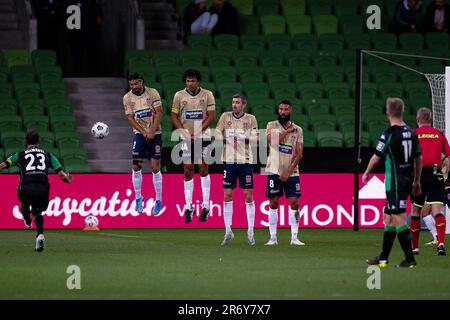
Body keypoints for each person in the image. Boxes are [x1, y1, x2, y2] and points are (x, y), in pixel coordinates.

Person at [364, 98, 422, 268]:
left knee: (397, 217)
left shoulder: (388, 134)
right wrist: (417, 180)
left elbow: (376, 157)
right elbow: (419, 157)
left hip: (395, 183)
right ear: (402, 111)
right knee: (388, 217)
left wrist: (367, 172)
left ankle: (410, 258)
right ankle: (383, 258)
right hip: (408, 179)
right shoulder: (412, 133)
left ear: (388, 112)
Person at [0, 129, 73, 252]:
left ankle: (27, 221)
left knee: (24, 203)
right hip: (42, 188)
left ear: (25, 141)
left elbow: (3, 165)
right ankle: (40, 235)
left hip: (26, 188)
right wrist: (68, 179)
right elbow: (62, 175)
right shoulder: (48, 155)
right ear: (39, 141)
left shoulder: (20, 154)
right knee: (37, 212)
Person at [171, 69, 216, 223]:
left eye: (193, 81)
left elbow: (211, 115)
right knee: (188, 170)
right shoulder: (179, 95)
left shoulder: (207, 94)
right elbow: (173, 115)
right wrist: (183, 132)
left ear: (198, 81)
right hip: (186, 137)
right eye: (188, 81)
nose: (190, 83)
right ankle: (189, 207)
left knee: (203, 168)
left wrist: (198, 131)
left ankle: (206, 206)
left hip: (203, 135)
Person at [215, 93, 258, 246]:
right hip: (229, 161)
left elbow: (256, 138)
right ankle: (228, 231)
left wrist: (242, 138)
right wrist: (225, 139)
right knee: (227, 195)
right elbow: (217, 133)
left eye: (238, 102)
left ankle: (251, 232)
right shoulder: (225, 117)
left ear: (243, 104)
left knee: (248, 195)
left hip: (246, 161)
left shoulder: (250, 118)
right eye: (233, 102)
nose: (234, 105)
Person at [409, 107, 449, 256]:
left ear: (418, 120)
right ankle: (441, 244)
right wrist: (445, 174)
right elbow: (449, 156)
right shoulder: (439, 134)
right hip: (436, 173)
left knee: (416, 210)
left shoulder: (413, 134)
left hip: (418, 175)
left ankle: (415, 247)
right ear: (430, 119)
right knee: (437, 210)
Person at [264, 100, 305, 246]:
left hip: (292, 172)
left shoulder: (298, 129)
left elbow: (299, 153)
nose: (282, 112)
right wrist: (287, 131)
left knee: (294, 202)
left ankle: (294, 237)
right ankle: (273, 237)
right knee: (273, 202)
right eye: (280, 109)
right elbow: (273, 143)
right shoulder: (271, 125)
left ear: (290, 111)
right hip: (274, 170)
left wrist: (288, 171)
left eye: (286, 109)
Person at [123, 73, 163, 216]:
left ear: (142, 82)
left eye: (136, 84)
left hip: (155, 134)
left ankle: (159, 200)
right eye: (131, 84)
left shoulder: (152, 93)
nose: (134, 87)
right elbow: (130, 117)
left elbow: (159, 113)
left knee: (155, 168)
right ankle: (139, 197)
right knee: (136, 166)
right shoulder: (127, 98)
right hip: (139, 135)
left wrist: (152, 131)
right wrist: (143, 131)